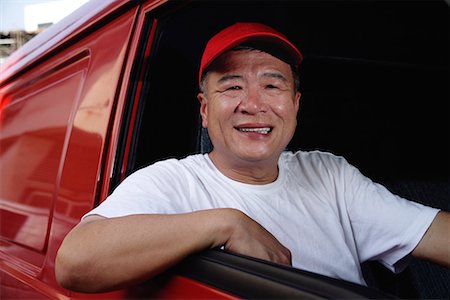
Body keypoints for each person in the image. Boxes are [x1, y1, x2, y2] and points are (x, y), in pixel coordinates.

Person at [55, 22, 449, 293]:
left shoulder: (330, 174)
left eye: (272, 85)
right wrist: (224, 223)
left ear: (294, 105)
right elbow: (75, 263)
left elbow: (433, 235)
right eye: (232, 86)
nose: (253, 104)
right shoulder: (172, 181)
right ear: (205, 111)